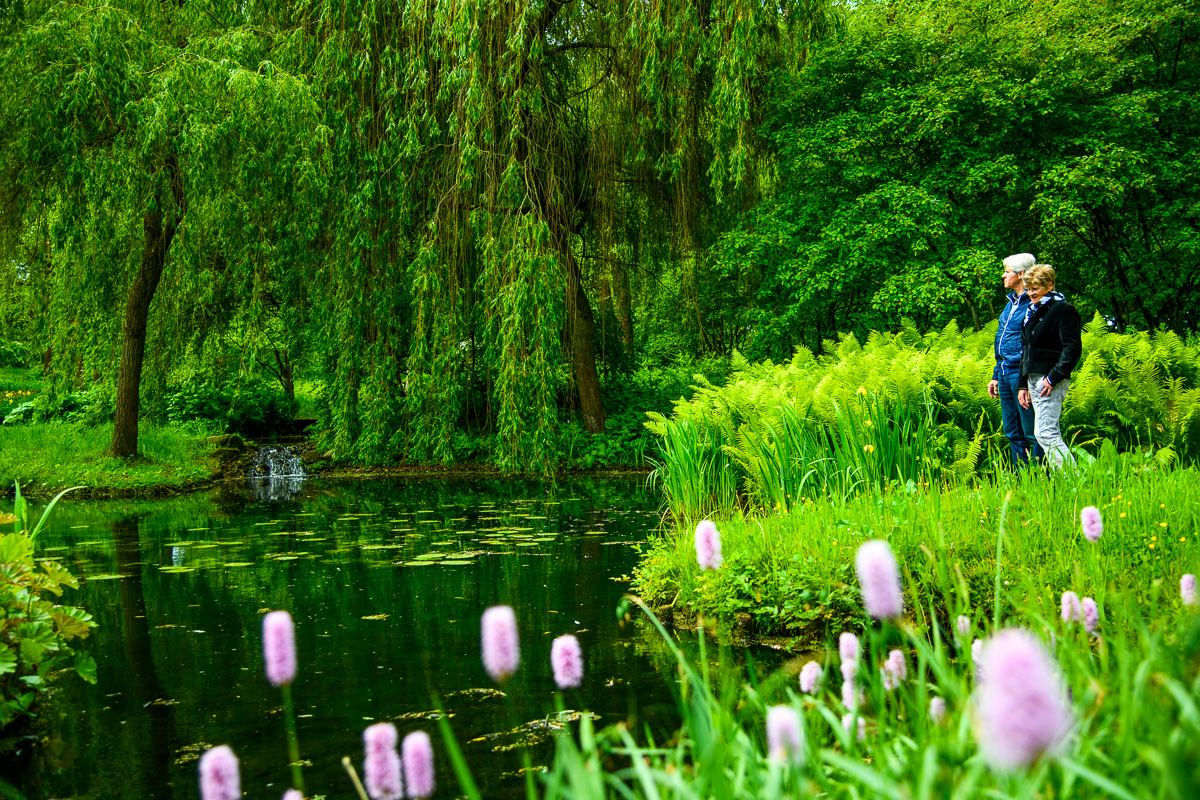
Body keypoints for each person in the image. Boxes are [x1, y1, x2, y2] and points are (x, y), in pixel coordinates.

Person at [1017, 264, 1083, 470]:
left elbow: (1072, 349)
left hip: (1050, 381)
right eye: (1028, 289)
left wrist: (1053, 377)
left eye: (1035, 288)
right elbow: (1026, 349)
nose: (1031, 293)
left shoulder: (1063, 309)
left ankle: (1072, 478)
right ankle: (1065, 477)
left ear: (1049, 285)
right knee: (1043, 432)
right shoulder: (1031, 312)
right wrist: (1022, 385)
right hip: (1033, 379)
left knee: (1046, 432)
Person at [988, 253, 1043, 468]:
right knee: (1012, 432)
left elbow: (1032, 345)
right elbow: (1002, 342)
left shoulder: (1032, 304)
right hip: (1004, 373)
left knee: (1031, 431)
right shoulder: (1009, 304)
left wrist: (1026, 379)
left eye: (1007, 271)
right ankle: (1022, 481)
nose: (1003, 275)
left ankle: (1041, 479)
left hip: (1021, 375)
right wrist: (995, 374)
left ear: (1021, 275)